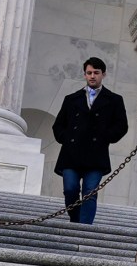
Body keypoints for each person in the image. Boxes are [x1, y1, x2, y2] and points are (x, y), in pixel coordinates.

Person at [50, 57, 129, 224]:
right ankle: (76, 220)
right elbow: (58, 125)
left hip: (96, 155)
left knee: (90, 193)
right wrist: (67, 139)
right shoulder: (71, 99)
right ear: (85, 75)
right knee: (70, 190)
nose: (92, 76)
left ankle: (84, 227)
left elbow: (122, 125)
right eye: (89, 73)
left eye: (96, 73)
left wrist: (105, 137)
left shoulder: (114, 100)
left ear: (103, 74)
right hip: (71, 154)